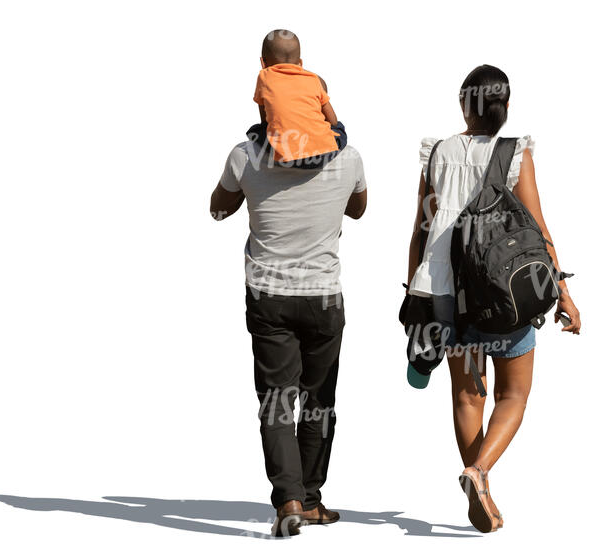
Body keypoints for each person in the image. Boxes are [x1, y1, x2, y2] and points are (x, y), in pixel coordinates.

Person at [406, 65, 581, 533]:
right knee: (514, 394)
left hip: (444, 291)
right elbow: (537, 229)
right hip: (505, 294)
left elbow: (421, 231)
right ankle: (479, 472)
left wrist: (413, 297)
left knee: (467, 397)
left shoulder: (437, 152)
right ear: (506, 107)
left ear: (464, 104)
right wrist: (563, 293)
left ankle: (475, 493)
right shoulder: (514, 153)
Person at [210, 132, 367, 536]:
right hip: (324, 299)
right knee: (319, 401)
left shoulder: (244, 156)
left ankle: (289, 500)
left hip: (269, 297)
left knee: (278, 398)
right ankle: (311, 502)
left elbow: (218, 208)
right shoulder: (347, 157)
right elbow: (359, 209)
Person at [247, 29, 347, 168]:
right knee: (339, 127)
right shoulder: (313, 79)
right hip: (325, 153)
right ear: (300, 63)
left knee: (256, 131)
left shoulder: (264, 77)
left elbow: (265, 120)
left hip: (287, 156)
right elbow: (332, 119)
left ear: (263, 62)